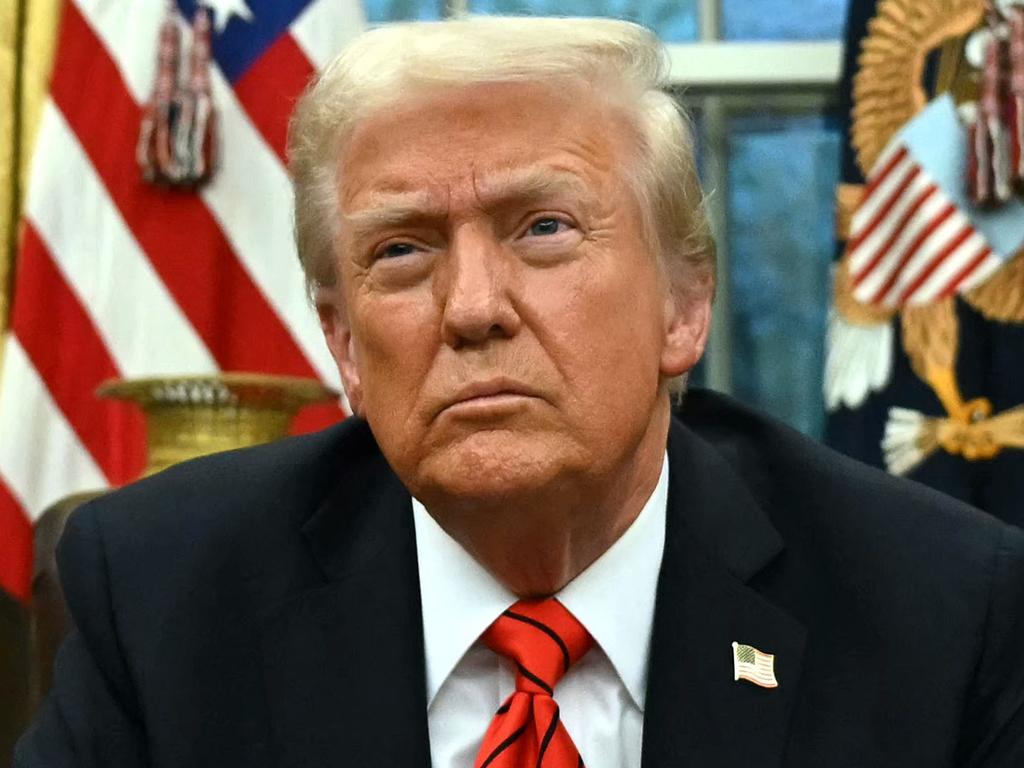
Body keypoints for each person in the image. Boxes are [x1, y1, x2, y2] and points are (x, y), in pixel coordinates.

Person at [15, 16, 1024, 768]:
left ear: (683, 306)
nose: (472, 308)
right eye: (401, 251)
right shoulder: (163, 597)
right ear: (344, 347)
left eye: (542, 229)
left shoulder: (935, 610)